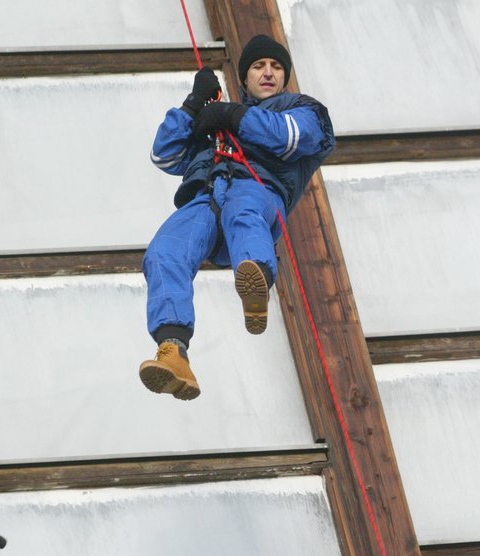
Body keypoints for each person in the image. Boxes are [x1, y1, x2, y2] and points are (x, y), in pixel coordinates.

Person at [139, 34, 335, 400]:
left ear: (285, 78)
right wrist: (192, 107)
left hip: (258, 192)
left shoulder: (301, 110)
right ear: (243, 77)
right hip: (208, 197)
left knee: (242, 211)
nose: (268, 73)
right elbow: (164, 156)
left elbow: (290, 137)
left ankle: (255, 277)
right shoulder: (216, 126)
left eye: (276, 67)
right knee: (165, 250)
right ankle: (173, 350)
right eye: (258, 66)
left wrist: (234, 114)